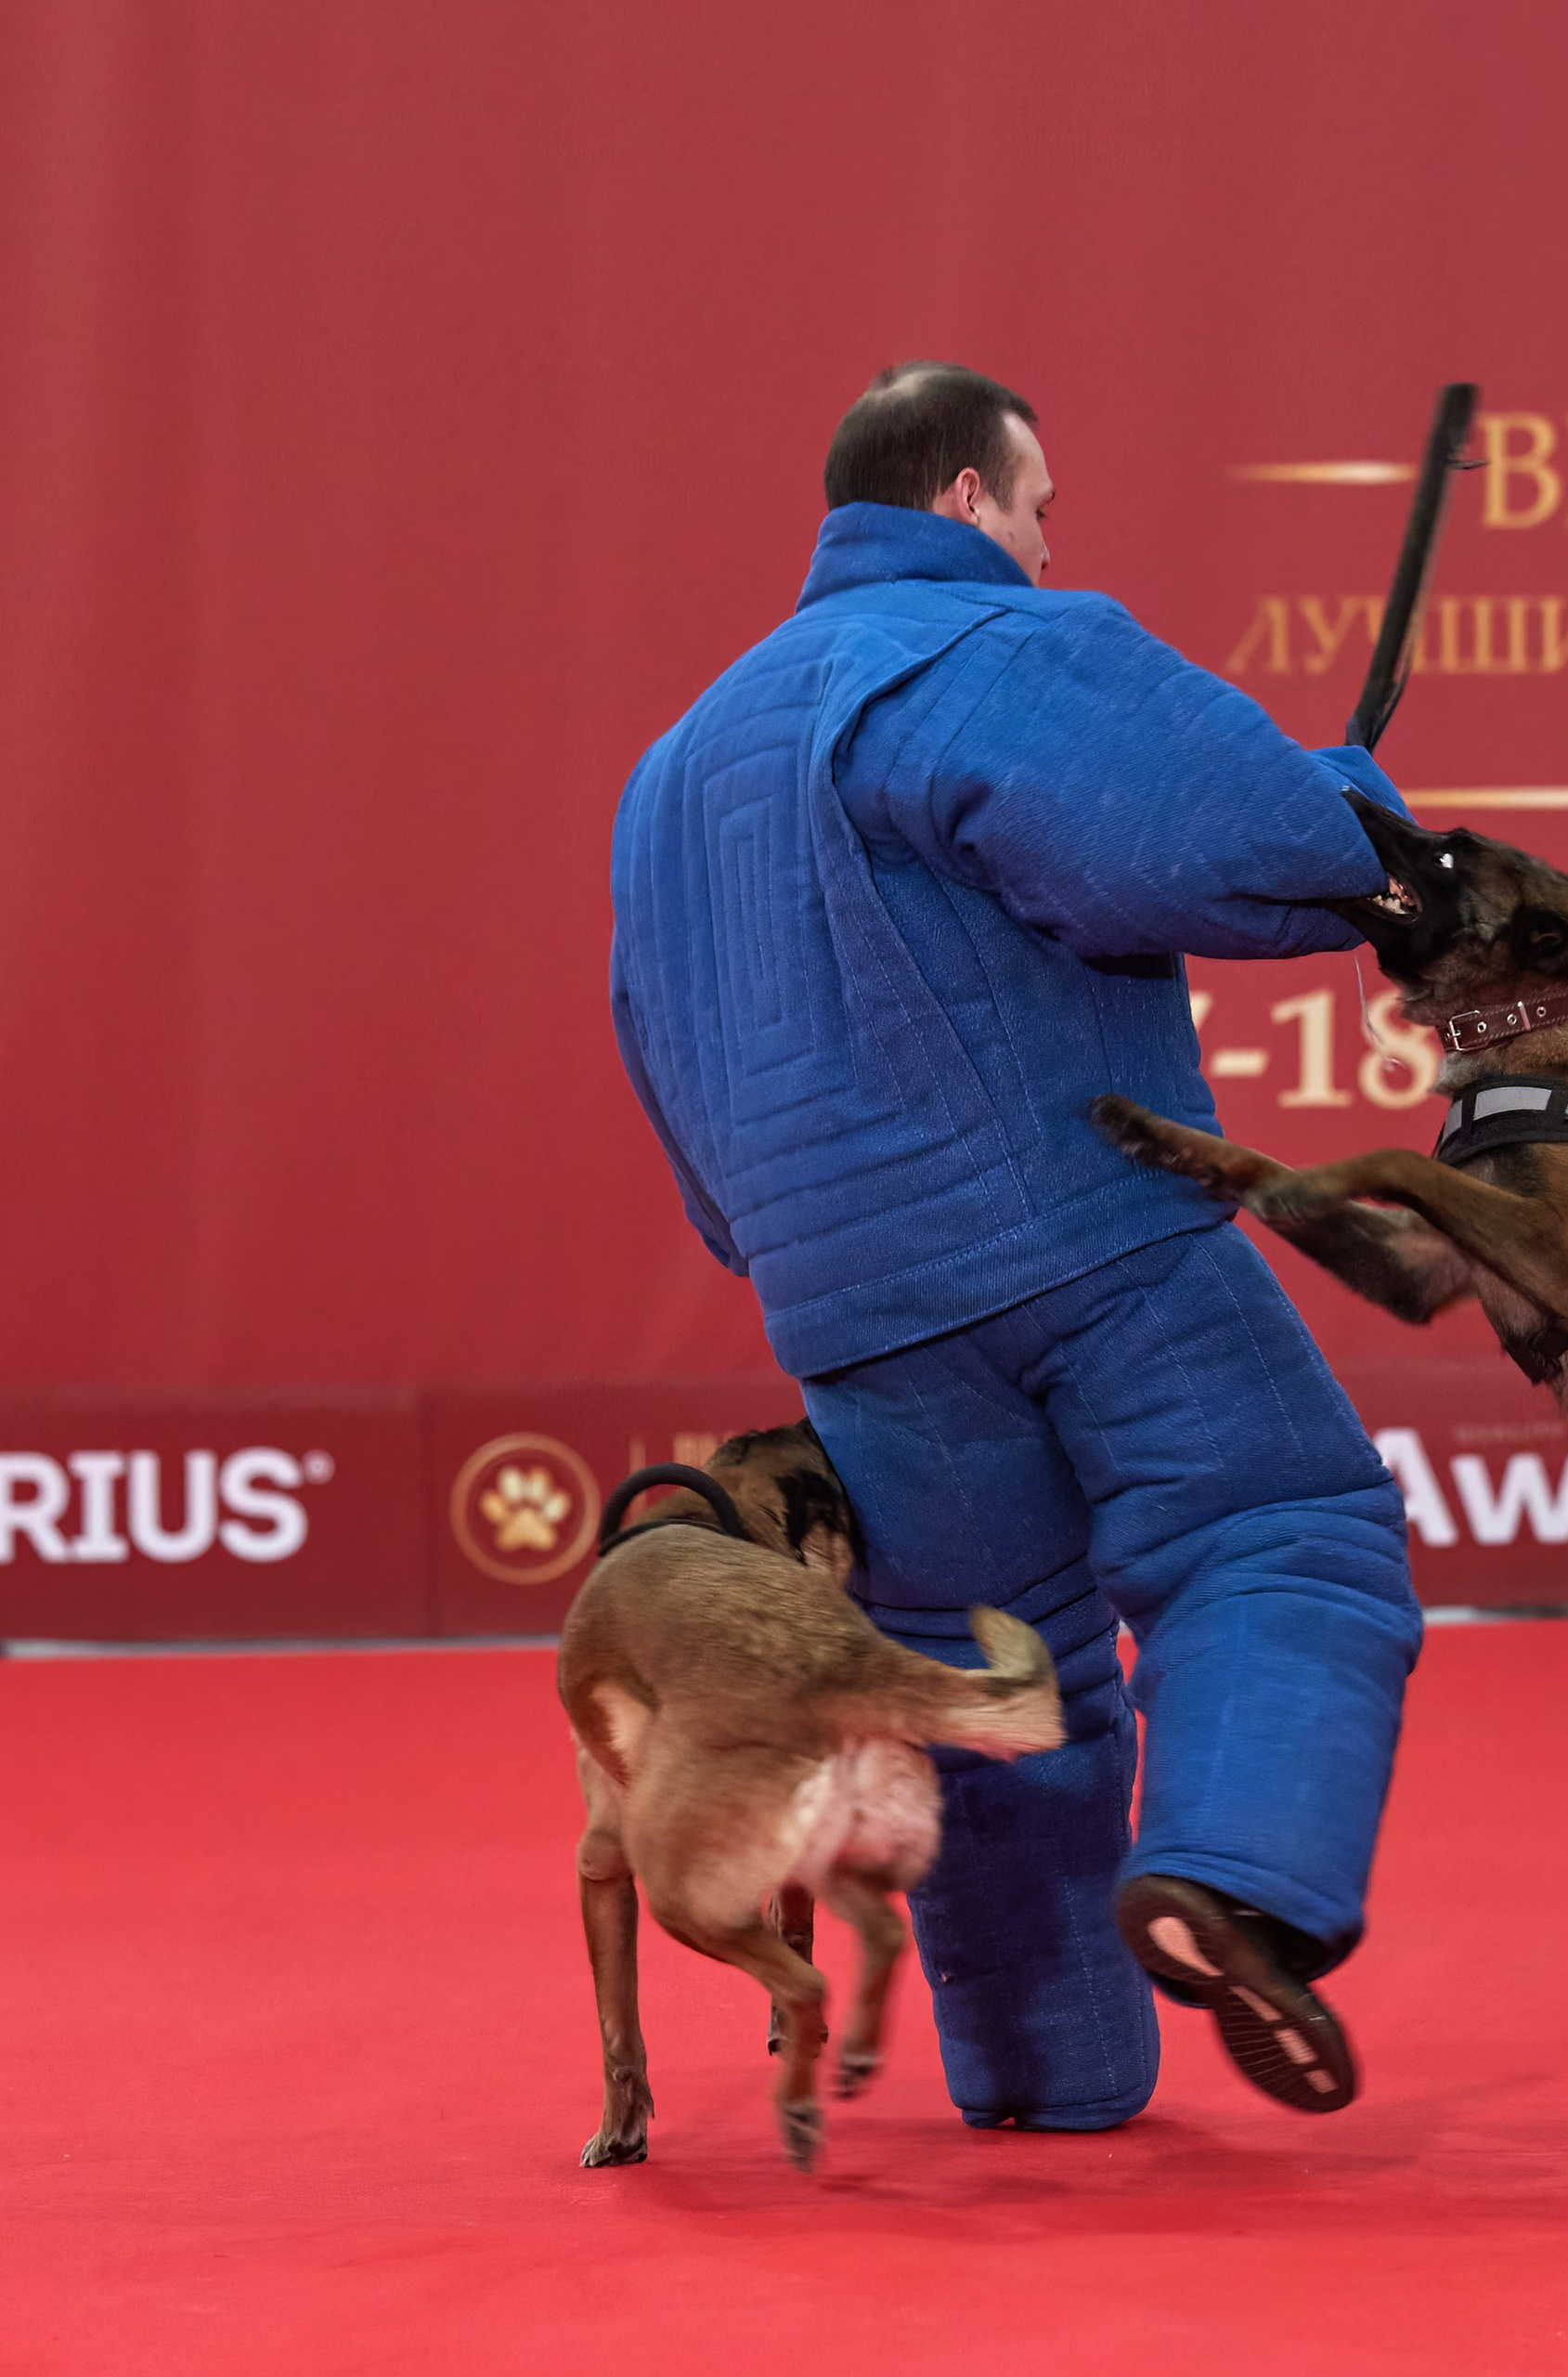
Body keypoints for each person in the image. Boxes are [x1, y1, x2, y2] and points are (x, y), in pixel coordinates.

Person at [609, 361, 1423, 2132]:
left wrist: (786, 1250)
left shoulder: (669, 775)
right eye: (1040, 507)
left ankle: (1052, 2077)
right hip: (1082, 1221)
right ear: (966, 497)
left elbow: (665, 1053)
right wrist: (1362, 827)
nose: (1053, 545)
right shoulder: (978, 644)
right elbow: (1198, 838)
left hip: (852, 1305)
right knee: (1279, 1533)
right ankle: (1237, 1874)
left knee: (993, 1669)